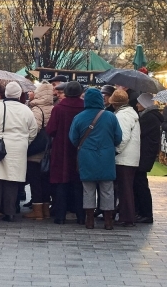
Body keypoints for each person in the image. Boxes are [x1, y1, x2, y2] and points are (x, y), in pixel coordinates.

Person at [0, 81, 37, 222]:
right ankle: (10, 213)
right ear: (19, 94)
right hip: (19, 148)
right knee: (13, 180)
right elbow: (33, 130)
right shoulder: (26, 109)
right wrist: (25, 141)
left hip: (0, 146)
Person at [70, 88, 122, 230]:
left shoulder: (79, 117)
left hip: (86, 156)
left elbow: (73, 139)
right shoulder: (110, 116)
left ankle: (89, 220)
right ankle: (108, 221)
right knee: (107, 189)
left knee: (88, 189)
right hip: (106, 157)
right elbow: (118, 137)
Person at [45, 81, 85, 224]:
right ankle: (81, 216)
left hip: (61, 149)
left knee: (61, 182)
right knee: (78, 183)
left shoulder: (58, 108)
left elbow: (50, 129)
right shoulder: (84, 107)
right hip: (81, 149)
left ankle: (60, 216)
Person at [24, 82, 53, 220]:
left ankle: (37, 211)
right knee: (45, 181)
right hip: (48, 150)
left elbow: (34, 129)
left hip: (36, 151)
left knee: (35, 181)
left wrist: (27, 144)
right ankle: (46, 210)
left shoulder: (37, 109)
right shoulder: (53, 108)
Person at [112, 89, 140, 227]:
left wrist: (116, 151)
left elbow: (123, 137)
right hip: (129, 157)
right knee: (126, 188)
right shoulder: (129, 113)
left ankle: (127, 217)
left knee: (125, 189)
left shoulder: (123, 115)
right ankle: (126, 216)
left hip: (124, 158)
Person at [134, 92, 163, 224]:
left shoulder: (149, 118)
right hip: (146, 154)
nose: (137, 105)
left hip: (144, 154)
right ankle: (142, 212)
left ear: (145, 104)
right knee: (140, 183)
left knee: (141, 184)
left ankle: (145, 214)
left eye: (139, 102)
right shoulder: (151, 116)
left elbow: (139, 133)